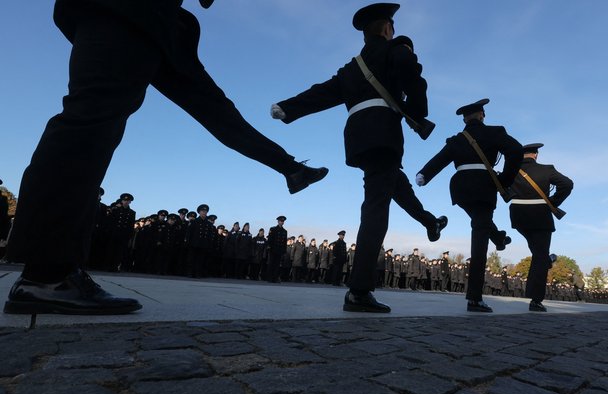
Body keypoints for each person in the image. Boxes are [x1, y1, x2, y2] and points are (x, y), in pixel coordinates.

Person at [3, 0, 329, 316]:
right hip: (122, 10)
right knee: (91, 120)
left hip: (160, 24)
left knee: (222, 117)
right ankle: (46, 276)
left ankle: (290, 168)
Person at [272, 3, 446, 313]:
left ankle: (429, 221)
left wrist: (289, 108)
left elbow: (323, 92)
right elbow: (414, 78)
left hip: (357, 136)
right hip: (383, 132)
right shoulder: (396, 49)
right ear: (386, 28)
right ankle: (359, 290)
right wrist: (418, 114)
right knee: (376, 207)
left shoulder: (351, 67)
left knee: (393, 186)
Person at [417, 98, 523, 312]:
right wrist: (505, 179)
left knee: (480, 221)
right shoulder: (494, 132)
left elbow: (441, 159)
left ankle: (499, 237)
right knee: (480, 235)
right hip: (483, 186)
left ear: (464, 119)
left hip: (461, 188)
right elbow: (516, 151)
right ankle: (474, 298)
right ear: (482, 115)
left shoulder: (457, 139)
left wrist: (424, 174)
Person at [510, 143, 573, 312]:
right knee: (540, 255)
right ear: (536, 155)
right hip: (540, 215)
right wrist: (553, 202)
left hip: (518, 216)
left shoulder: (512, 169)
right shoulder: (547, 169)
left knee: (538, 252)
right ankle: (535, 300)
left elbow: (502, 187)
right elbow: (567, 184)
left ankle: (546, 260)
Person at [266, 216, 288, 283]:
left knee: (277, 265)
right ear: (278, 221)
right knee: (271, 264)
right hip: (273, 249)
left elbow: (284, 242)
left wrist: (284, 250)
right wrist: (269, 247)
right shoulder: (273, 229)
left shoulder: (284, 231)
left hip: (279, 250)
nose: (282, 222)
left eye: (283, 221)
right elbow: (270, 239)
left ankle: (275, 278)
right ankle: (270, 278)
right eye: (281, 221)